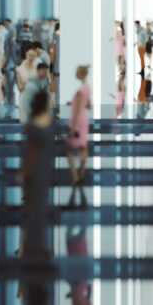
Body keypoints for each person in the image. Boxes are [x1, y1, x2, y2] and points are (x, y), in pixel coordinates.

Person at [18, 89, 57, 305]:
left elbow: (29, 152)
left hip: (36, 173)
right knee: (40, 211)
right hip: (46, 173)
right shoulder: (50, 122)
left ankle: (35, 248)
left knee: (33, 213)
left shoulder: (34, 125)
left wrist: (22, 173)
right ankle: (39, 246)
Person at [65, 65, 92, 203]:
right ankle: (80, 175)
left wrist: (72, 127)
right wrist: (74, 103)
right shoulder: (87, 87)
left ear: (80, 74)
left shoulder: (81, 90)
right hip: (84, 119)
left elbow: (77, 111)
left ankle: (76, 177)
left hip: (78, 120)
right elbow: (89, 106)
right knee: (83, 147)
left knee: (69, 150)